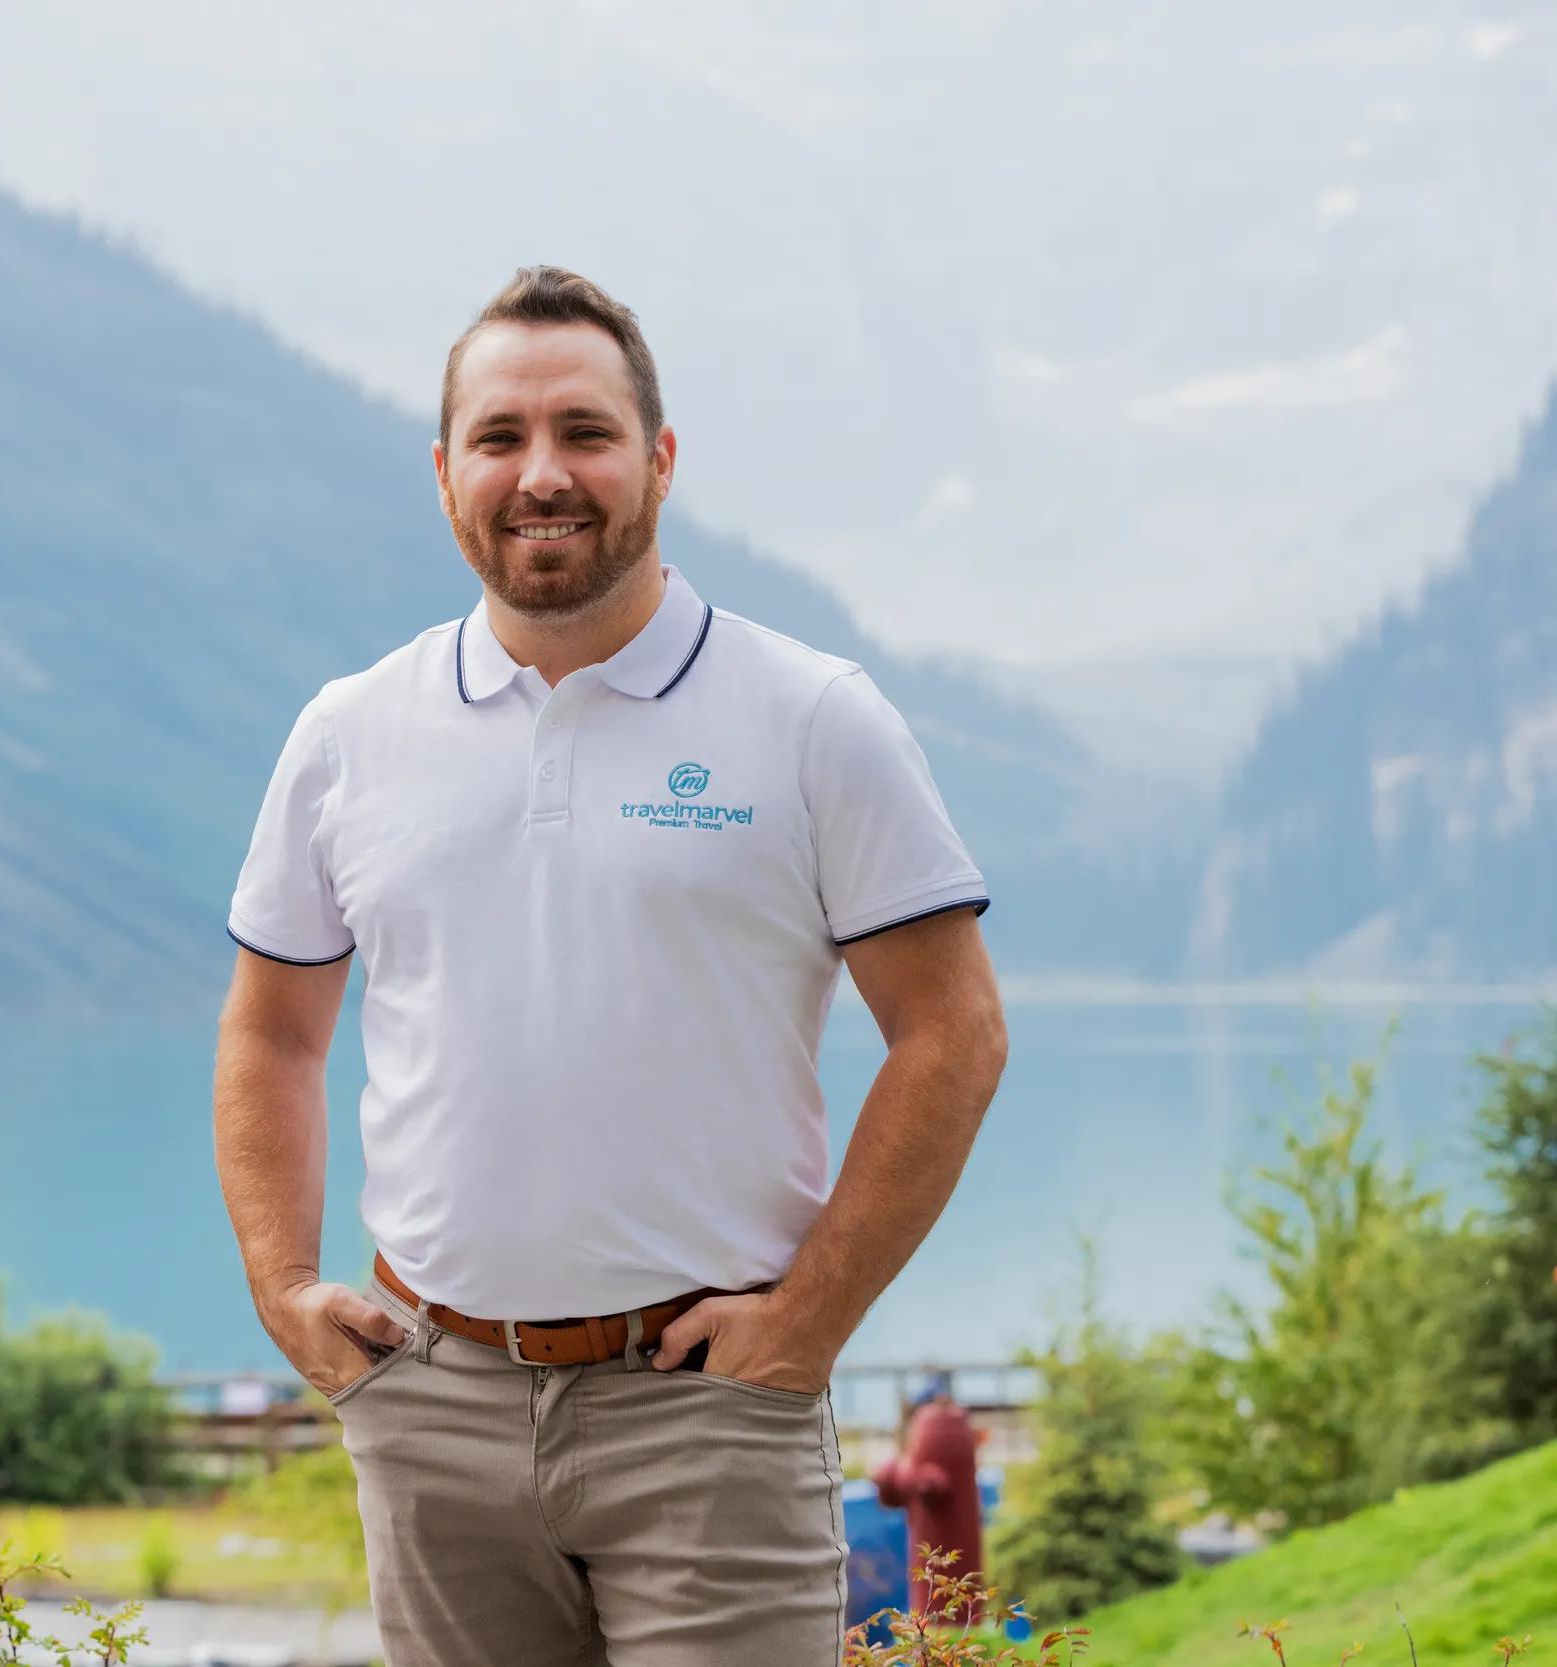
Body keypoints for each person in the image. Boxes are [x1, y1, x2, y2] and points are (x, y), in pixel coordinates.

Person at [212, 266, 1009, 1665]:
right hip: (432, 1399)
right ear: (445, 470)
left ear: (660, 457)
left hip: (704, 1410)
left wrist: (812, 1317)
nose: (543, 474)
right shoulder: (348, 732)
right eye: (501, 436)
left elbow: (954, 1030)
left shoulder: (813, 718)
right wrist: (285, 1285)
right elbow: (274, 1028)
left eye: (584, 431)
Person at [871, 1376, 988, 1624]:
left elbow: (926, 1483)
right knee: (955, 1610)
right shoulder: (957, 1427)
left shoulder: (929, 1429)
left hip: (938, 1584)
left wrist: (891, 1472)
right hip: (952, 1569)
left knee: (942, 1611)